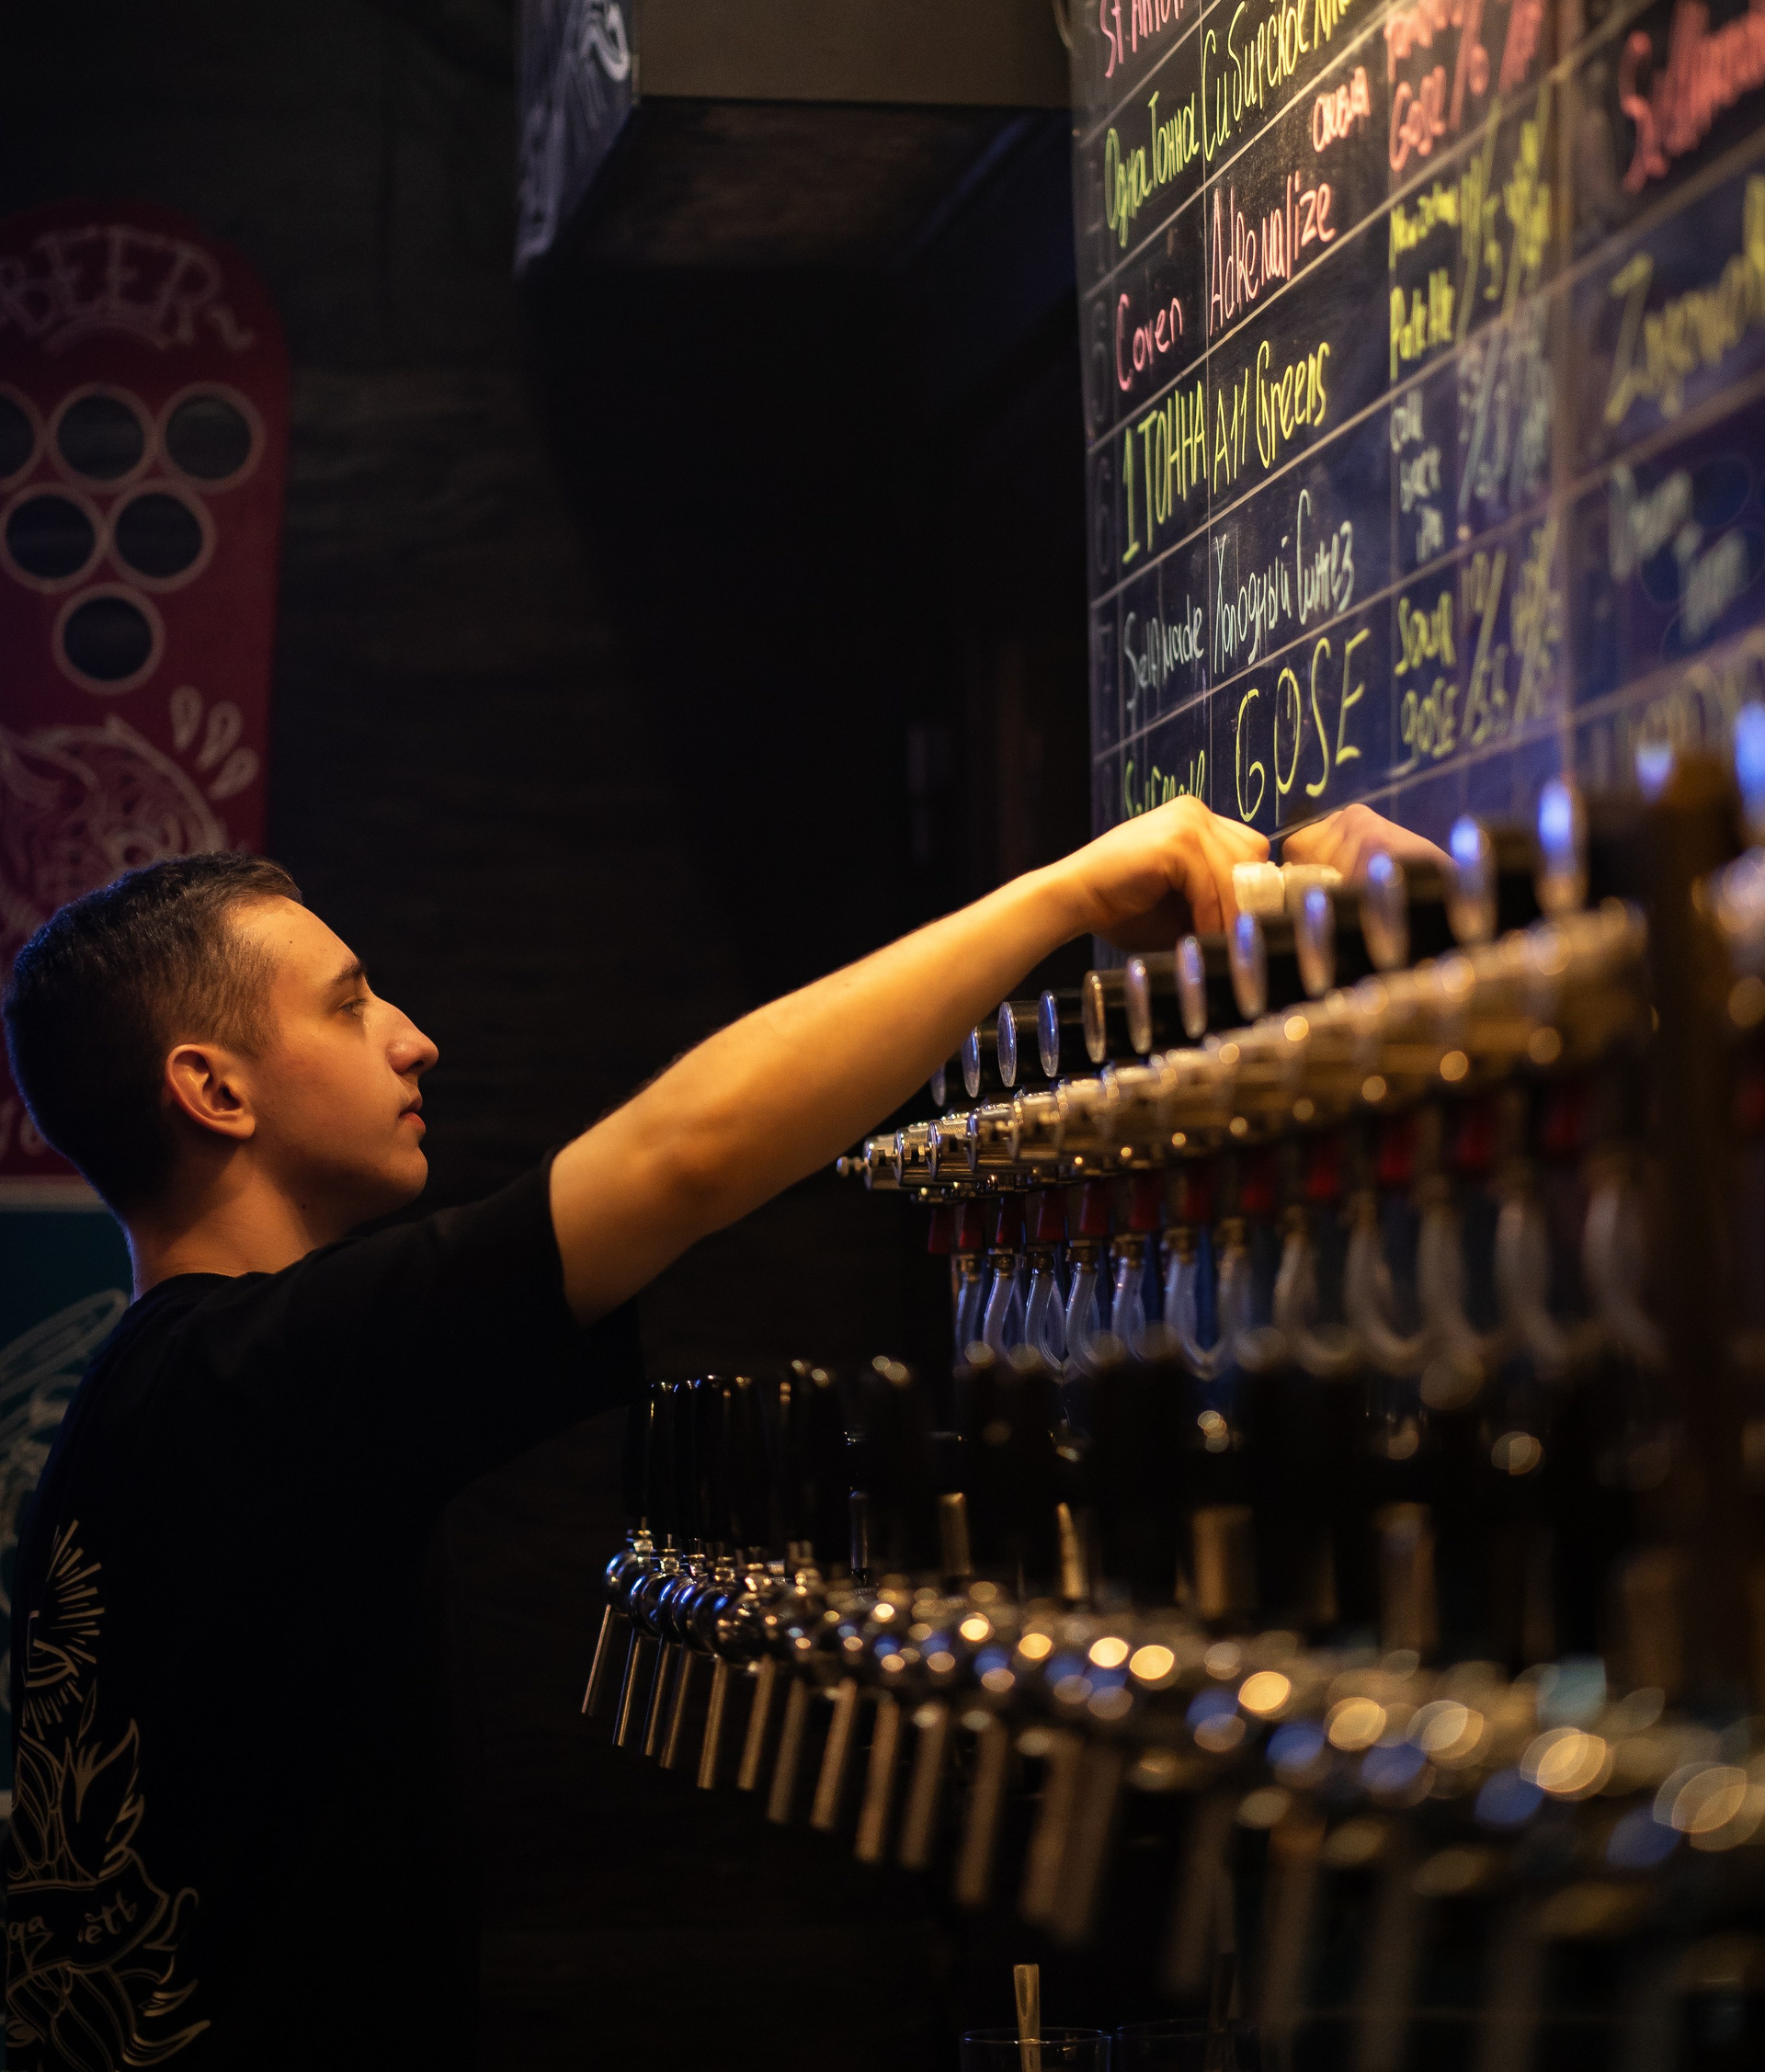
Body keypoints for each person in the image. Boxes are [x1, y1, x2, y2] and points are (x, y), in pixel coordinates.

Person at [1, 794, 1413, 2069]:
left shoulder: (165, 1396)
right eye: (350, 1000)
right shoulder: (249, 1382)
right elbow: (686, 1155)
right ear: (216, 1090)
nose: (413, 1034)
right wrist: (1074, 892)